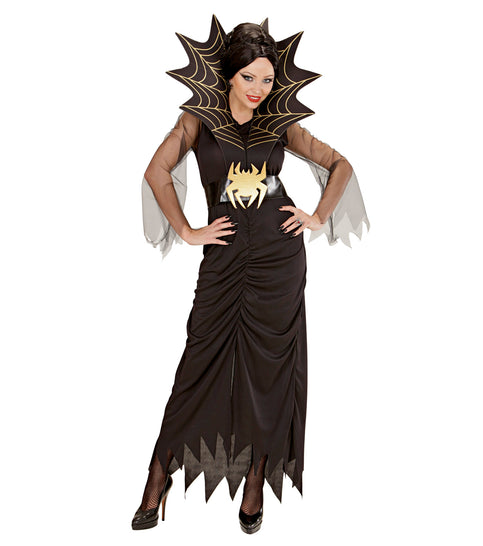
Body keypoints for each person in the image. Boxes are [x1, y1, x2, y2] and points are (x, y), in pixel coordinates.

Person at [132, 15, 370, 534]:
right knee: (197, 363)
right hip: (223, 260)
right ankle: (158, 473)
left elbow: (341, 164)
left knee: (269, 374)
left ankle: (256, 480)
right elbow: (155, 171)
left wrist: (317, 216)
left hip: (278, 258)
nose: (259, 88)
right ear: (229, 74)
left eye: (267, 79)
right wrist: (188, 230)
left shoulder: (279, 122)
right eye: (248, 78)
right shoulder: (198, 119)